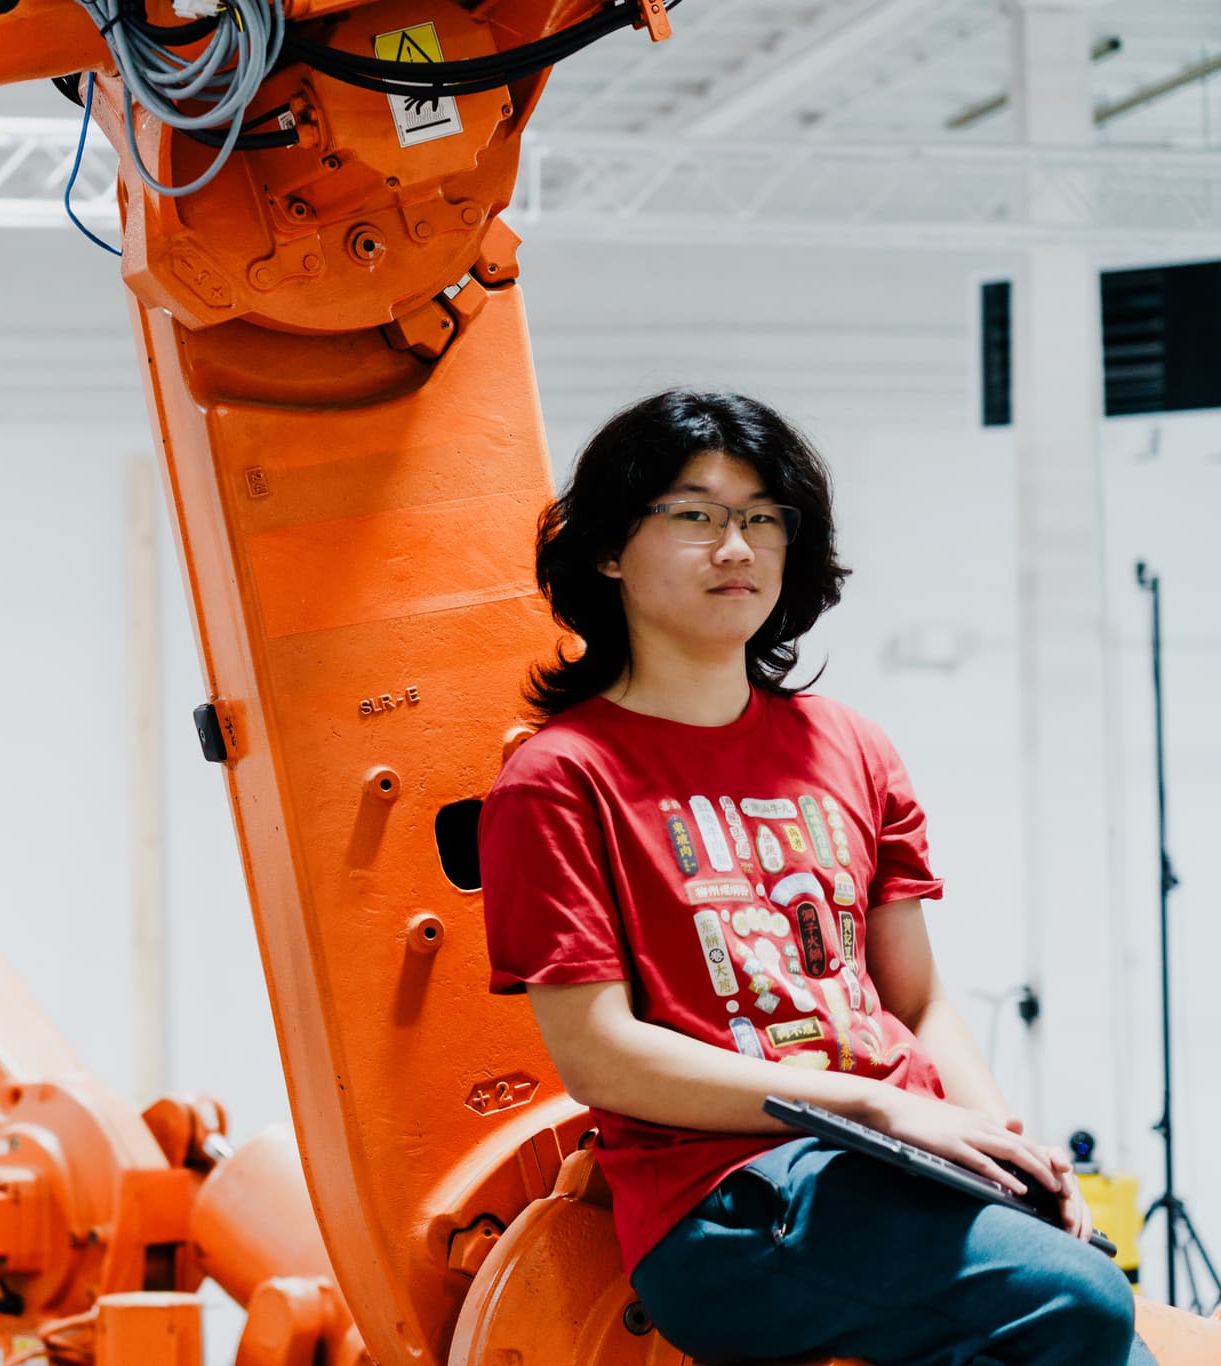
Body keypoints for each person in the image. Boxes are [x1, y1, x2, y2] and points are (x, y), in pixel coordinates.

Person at [478, 390, 1150, 1366]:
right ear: (607, 550)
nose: (735, 545)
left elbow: (914, 1003)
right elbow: (599, 1054)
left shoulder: (848, 747)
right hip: (725, 1201)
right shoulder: (556, 780)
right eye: (694, 513)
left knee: (1116, 1333)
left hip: (897, 1163)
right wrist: (860, 1104)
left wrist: (1003, 1141)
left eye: (760, 516)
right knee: (1071, 1302)